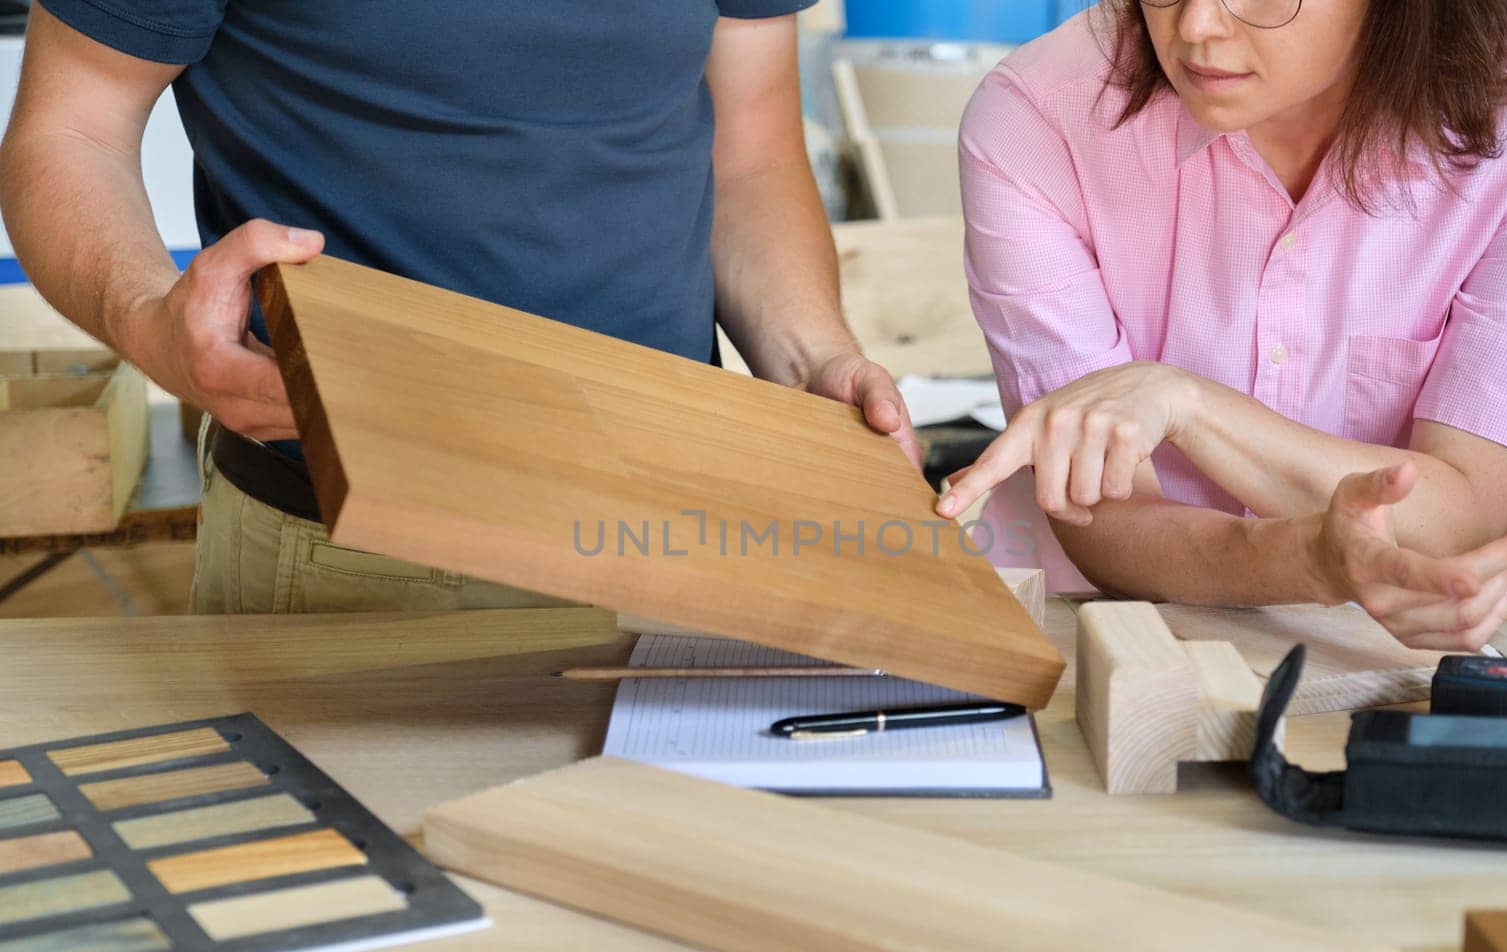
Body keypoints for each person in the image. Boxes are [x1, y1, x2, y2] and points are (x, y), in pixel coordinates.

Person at [0, 2, 918, 614]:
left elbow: (751, 148)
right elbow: (68, 129)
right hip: (348, 547)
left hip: (672, 524)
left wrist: (812, 361)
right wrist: (149, 320)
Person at [937, 0, 1507, 650]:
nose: (1195, 26)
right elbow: (1096, 511)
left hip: (1371, 651)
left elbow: (1461, 512)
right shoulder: (1038, 114)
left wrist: (1186, 404)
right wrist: (1309, 558)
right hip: (1095, 638)